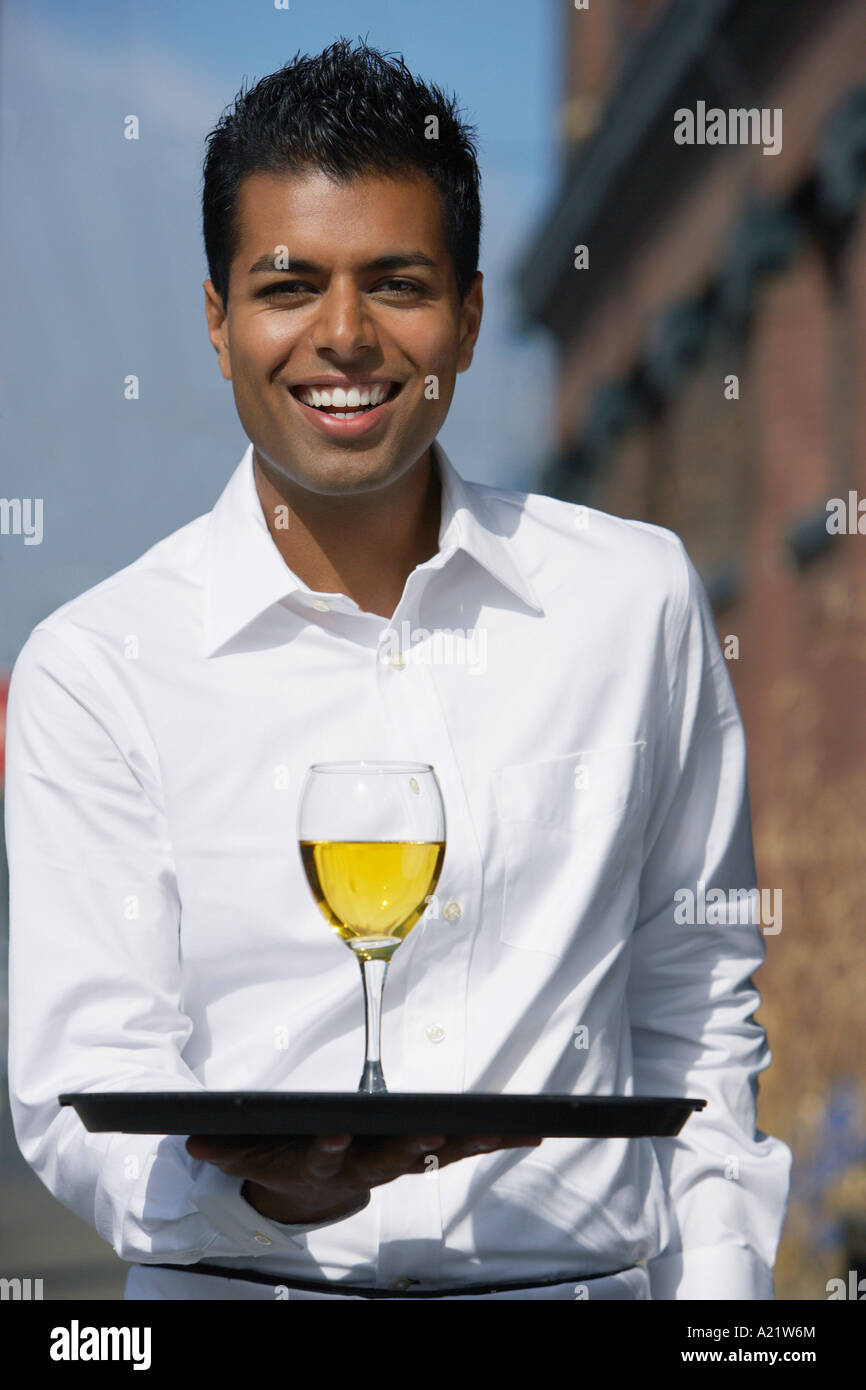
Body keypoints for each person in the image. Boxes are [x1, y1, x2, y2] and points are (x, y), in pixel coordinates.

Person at [4, 38, 791, 1301]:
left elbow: (693, 994)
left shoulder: (630, 602)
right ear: (215, 322)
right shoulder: (97, 668)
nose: (343, 335)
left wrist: (721, 1309)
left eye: (397, 283)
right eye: (285, 285)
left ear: (468, 317)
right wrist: (258, 1193)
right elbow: (79, 1075)